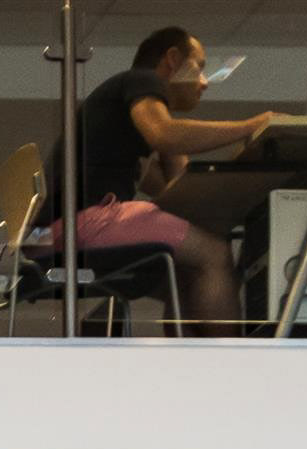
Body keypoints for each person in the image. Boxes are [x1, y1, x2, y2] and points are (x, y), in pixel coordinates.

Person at [42, 26, 274, 334]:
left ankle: (189, 367)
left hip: (55, 232)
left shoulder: (125, 123)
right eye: (200, 67)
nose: (204, 83)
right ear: (173, 59)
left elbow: (179, 185)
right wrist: (250, 126)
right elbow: (164, 134)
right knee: (214, 254)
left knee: (186, 274)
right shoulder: (142, 80)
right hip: (78, 225)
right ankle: (226, 363)